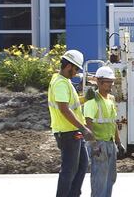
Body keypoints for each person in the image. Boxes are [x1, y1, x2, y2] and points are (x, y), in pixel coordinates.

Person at [48, 49, 94, 197]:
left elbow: (71, 104)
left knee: (81, 166)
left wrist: (85, 99)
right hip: (67, 132)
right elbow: (64, 109)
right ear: (69, 66)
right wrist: (83, 128)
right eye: (76, 69)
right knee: (69, 169)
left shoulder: (64, 81)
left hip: (73, 131)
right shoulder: (60, 84)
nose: (76, 73)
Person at [83, 66, 125, 197]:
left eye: (112, 81)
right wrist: (94, 144)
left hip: (110, 143)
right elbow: (88, 123)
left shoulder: (110, 99)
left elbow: (112, 122)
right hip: (99, 144)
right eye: (108, 81)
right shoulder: (92, 100)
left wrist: (118, 143)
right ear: (99, 82)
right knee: (100, 180)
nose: (111, 84)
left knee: (110, 178)